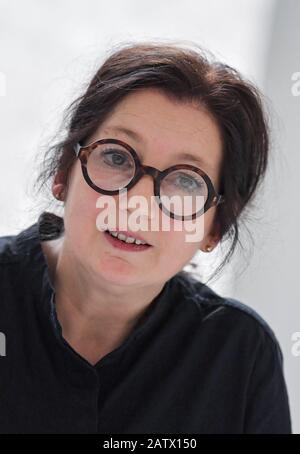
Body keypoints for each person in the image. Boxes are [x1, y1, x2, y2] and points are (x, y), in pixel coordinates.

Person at [0, 41, 292, 434]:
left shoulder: (240, 355)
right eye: (117, 157)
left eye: (186, 180)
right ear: (64, 171)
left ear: (214, 227)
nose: (136, 203)